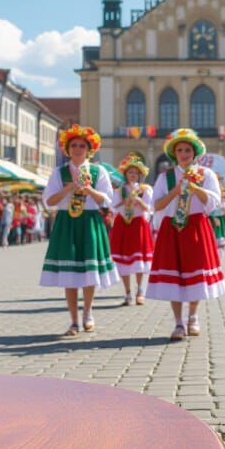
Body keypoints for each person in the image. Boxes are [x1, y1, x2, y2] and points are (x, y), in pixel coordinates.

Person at [148, 129, 225, 341]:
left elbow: (213, 203)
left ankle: (193, 316)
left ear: (194, 153)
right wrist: (175, 191)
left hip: (195, 226)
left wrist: (194, 188)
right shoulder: (165, 177)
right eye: (180, 150)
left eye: (188, 150)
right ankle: (178, 322)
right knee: (174, 275)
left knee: (195, 272)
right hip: (172, 227)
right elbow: (156, 205)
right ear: (174, 154)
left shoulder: (205, 174)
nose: (184, 153)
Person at [40, 125, 116, 335]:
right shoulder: (59, 172)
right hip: (67, 223)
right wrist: (69, 187)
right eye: (73, 145)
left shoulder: (98, 171)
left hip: (90, 221)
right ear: (67, 148)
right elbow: (49, 201)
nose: (77, 149)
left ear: (89, 149)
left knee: (89, 272)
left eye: (82, 146)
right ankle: (74, 320)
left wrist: (88, 189)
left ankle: (88, 312)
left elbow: (107, 200)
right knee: (70, 273)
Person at [110, 152, 155, 305]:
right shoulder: (120, 190)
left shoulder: (145, 189)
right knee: (124, 260)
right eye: (130, 172)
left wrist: (138, 201)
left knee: (138, 260)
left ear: (140, 174)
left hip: (138, 224)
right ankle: (128, 293)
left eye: (136, 172)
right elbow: (113, 206)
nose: (133, 175)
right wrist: (126, 201)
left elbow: (150, 208)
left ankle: (140, 291)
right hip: (123, 223)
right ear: (125, 174)